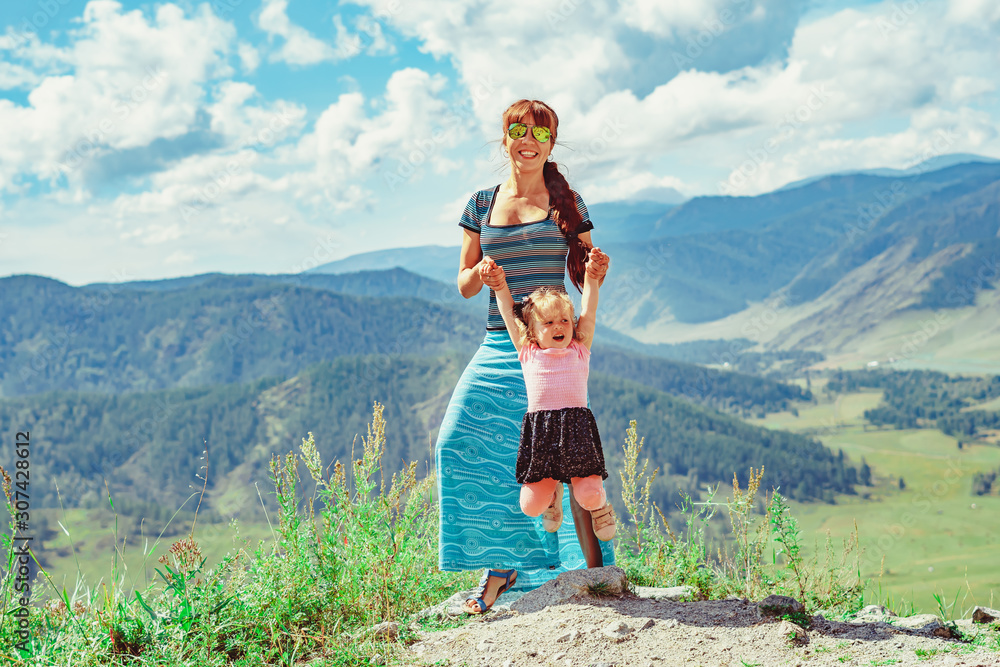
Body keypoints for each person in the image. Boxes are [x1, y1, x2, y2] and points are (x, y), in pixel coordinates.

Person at [435, 99, 612, 616]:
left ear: (551, 143)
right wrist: (486, 273)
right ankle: (505, 561)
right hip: (500, 342)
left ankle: (587, 569)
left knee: (562, 456)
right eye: (517, 129)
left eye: (539, 131)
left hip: (552, 350)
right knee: (456, 443)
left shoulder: (567, 202)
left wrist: (595, 266)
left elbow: (583, 277)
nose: (527, 139)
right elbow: (465, 284)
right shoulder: (480, 204)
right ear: (504, 138)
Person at [491, 255, 617, 542]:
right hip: (542, 435)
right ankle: (551, 496)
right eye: (548, 322)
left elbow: (590, 310)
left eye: (564, 320)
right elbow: (509, 314)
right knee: (530, 506)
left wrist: (592, 278)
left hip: (577, 431)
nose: (559, 326)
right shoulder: (528, 351)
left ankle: (599, 508)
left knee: (589, 495)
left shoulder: (579, 348)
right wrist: (499, 286)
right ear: (532, 331)